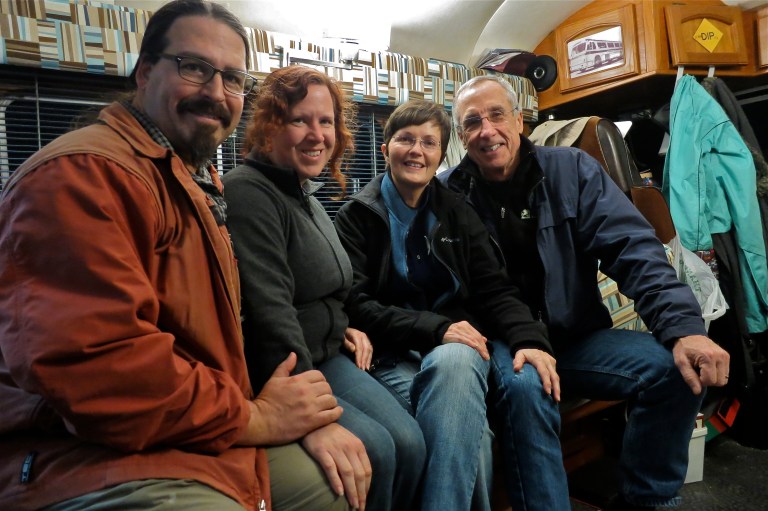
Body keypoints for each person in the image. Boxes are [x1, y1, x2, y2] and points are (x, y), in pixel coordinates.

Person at [0, 2, 355, 510]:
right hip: (79, 453)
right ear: (144, 71)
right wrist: (254, 418)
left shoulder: (193, 180)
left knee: (337, 484)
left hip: (181, 425)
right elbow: (100, 368)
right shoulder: (84, 174)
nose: (215, 92)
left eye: (232, 78)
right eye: (194, 68)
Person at [440, 74, 732, 511]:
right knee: (527, 385)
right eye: (472, 122)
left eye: (497, 114)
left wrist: (683, 328)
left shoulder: (571, 170)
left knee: (676, 367)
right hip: (501, 344)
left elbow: (633, 250)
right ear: (462, 136)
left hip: (575, 338)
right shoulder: (447, 194)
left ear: (519, 120)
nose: (487, 130)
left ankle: (647, 499)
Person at [334, 99, 563, 511]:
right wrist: (435, 329)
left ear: (442, 154)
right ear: (385, 149)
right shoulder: (357, 215)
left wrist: (531, 339)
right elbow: (355, 303)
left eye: (429, 142)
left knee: (461, 362)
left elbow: (495, 288)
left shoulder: (457, 212)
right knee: (476, 440)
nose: (416, 151)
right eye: (405, 139)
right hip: (391, 353)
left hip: (455, 348)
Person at [222, 65, 426, 511]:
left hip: (329, 354)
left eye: (326, 121)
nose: (317, 134)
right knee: (377, 450)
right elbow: (268, 310)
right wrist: (308, 422)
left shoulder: (305, 196)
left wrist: (344, 323)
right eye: (300, 120)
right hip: (289, 371)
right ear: (270, 125)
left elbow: (329, 285)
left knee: (410, 440)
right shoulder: (248, 192)